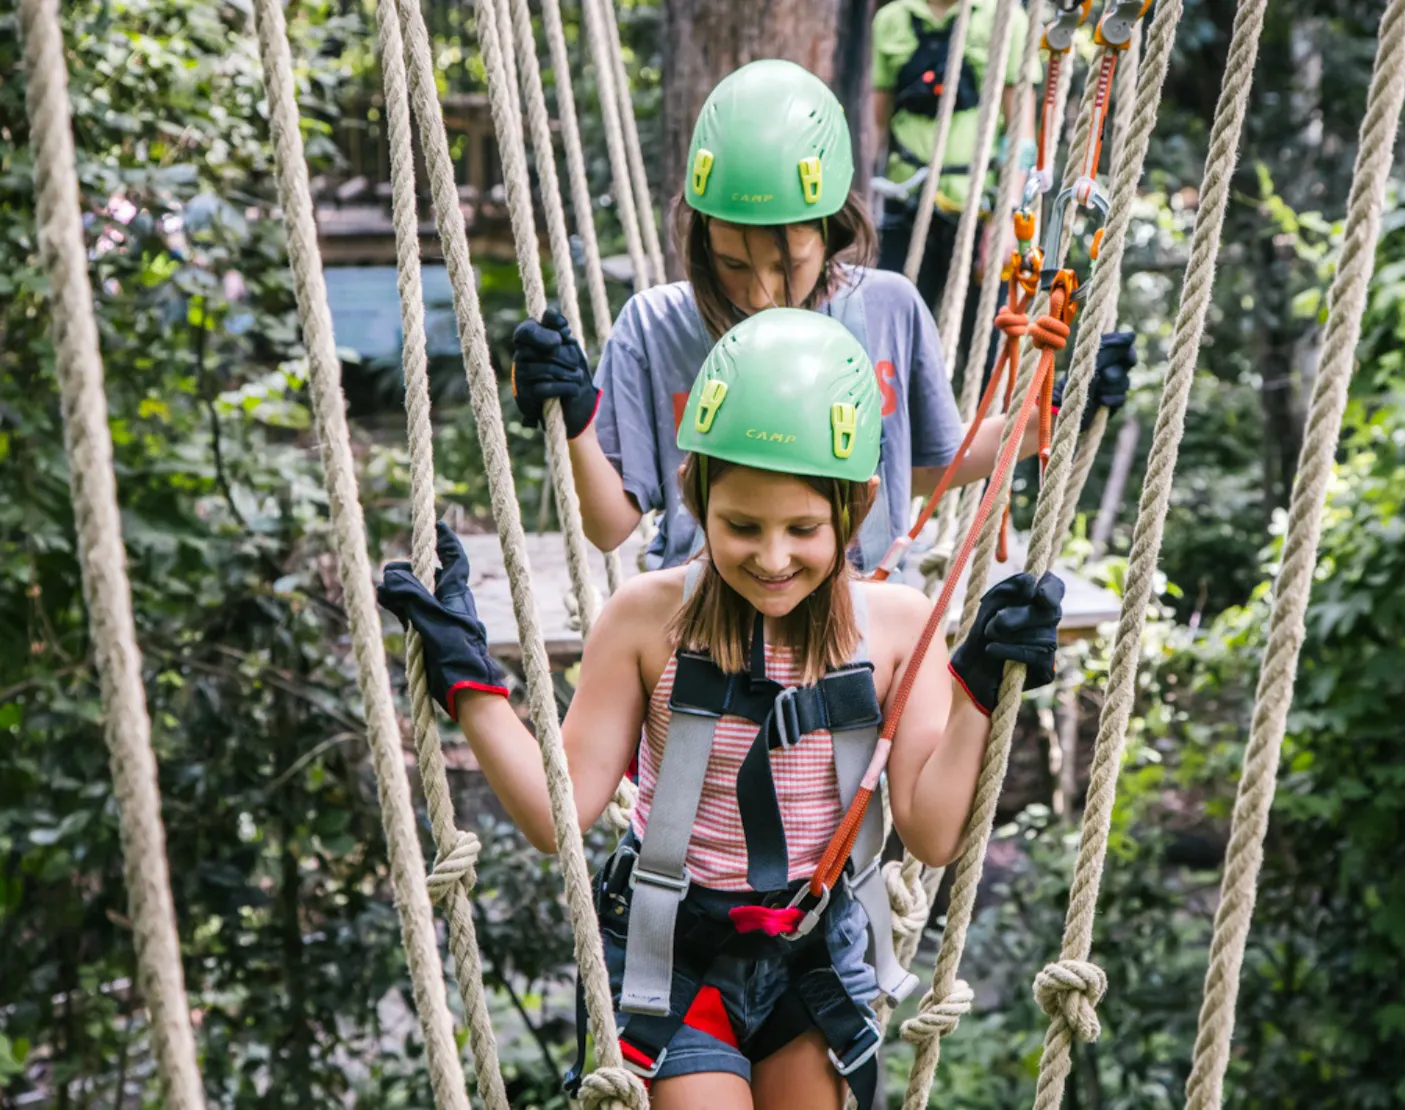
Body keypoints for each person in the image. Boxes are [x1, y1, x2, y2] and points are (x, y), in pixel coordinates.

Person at [381, 310, 1064, 1109]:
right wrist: (471, 682)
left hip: (812, 955)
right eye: (741, 526)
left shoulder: (898, 625)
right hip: (673, 957)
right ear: (695, 494)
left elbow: (933, 830)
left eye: (803, 529)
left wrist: (977, 686)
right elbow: (553, 812)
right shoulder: (646, 619)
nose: (772, 558)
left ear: (859, 506)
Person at [509, 58, 1042, 580]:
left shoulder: (888, 308)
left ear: (833, 231)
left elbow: (925, 467)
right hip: (702, 626)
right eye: (732, 264)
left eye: (787, 266)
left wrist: (1054, 408)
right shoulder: (656, 327)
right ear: (700, 240)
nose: (761, 294)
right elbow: (608, 527)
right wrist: (575, 419)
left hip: (863, 625)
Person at [871, 0, 1038, 316]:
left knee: (988, 334)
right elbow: (876, 126)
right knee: (893, 328)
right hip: (905, 205)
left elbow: (1021, 133)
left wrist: (1010, 213)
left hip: (981, 211)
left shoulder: (1006, 20)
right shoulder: (892, 20)